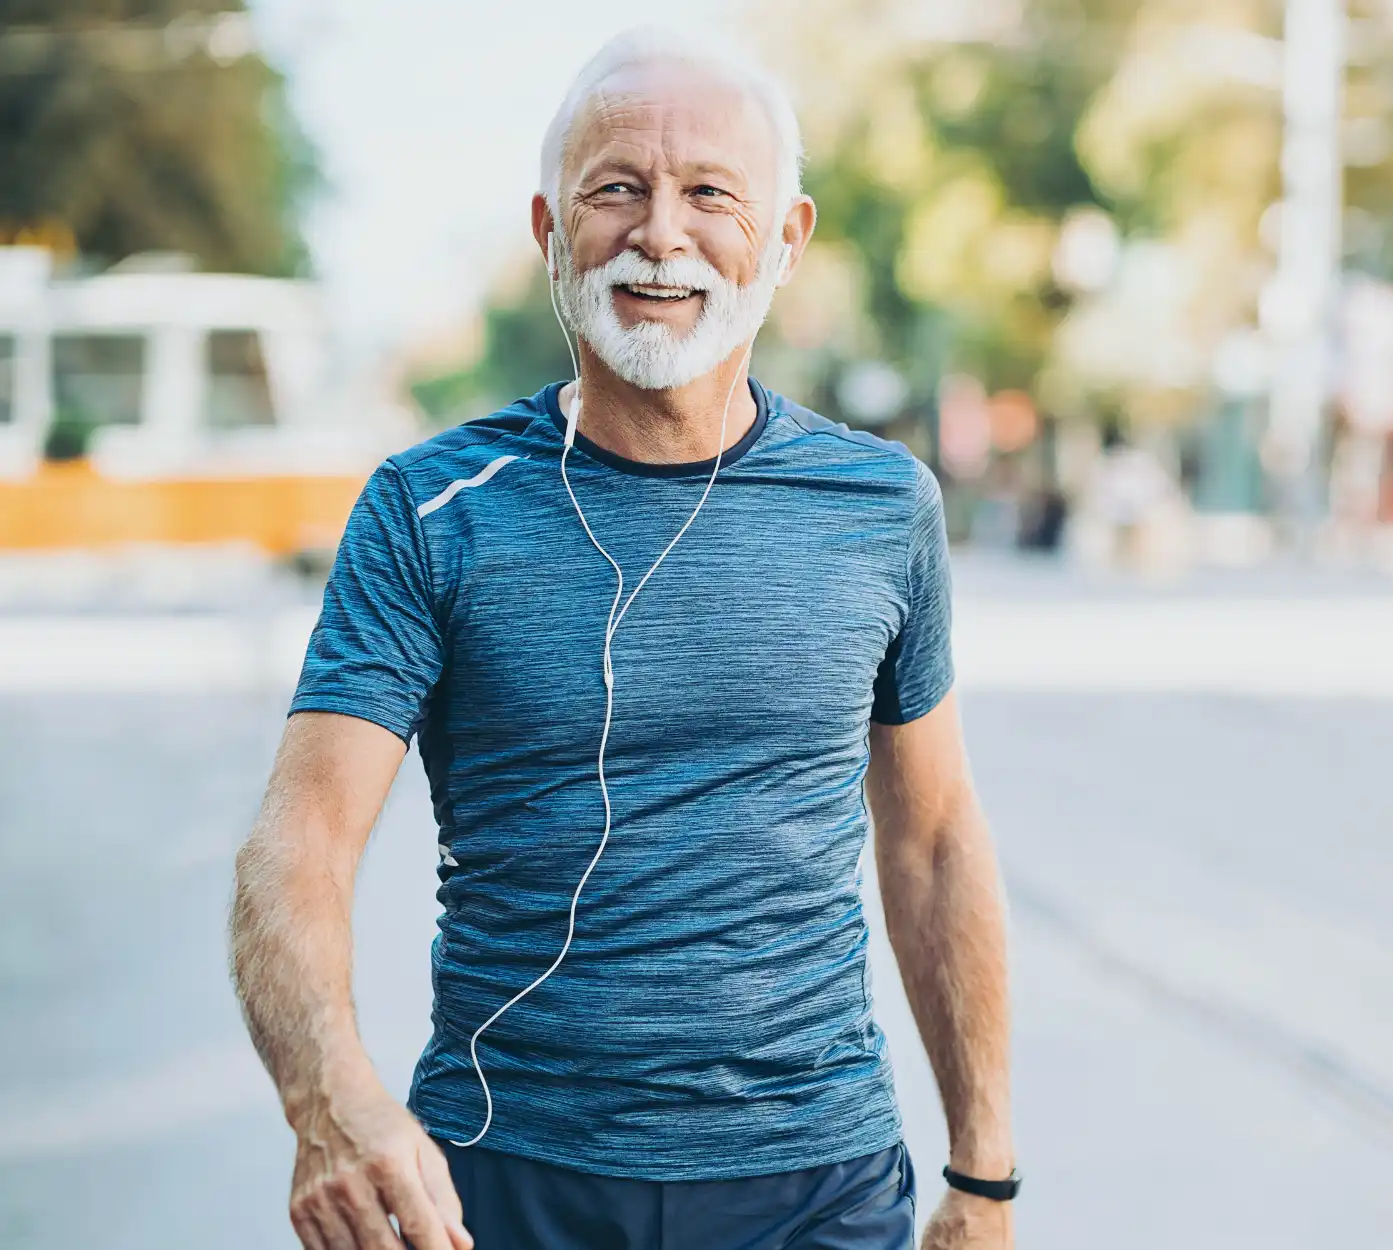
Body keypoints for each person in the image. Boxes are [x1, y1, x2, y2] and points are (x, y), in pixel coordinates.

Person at [229, 28, 1015, 1250]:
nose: (662, 233)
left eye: (711, 193)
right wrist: (327, 1104)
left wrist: (985, 1171)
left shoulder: (881, 504)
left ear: (787, 238)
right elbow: (301, 838)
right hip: (503, 1174)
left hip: (814, 1180)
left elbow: (935, 840)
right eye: (616, 189)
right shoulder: (429, 506)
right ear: (548, 230)